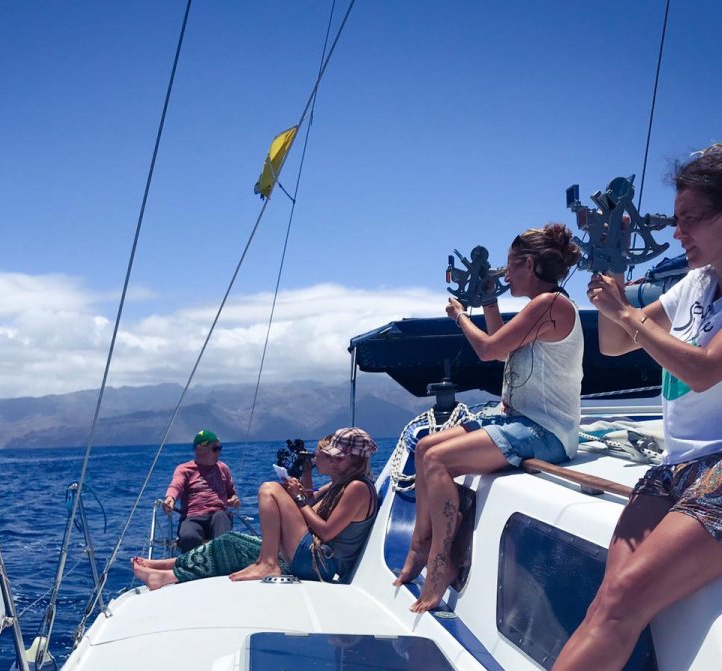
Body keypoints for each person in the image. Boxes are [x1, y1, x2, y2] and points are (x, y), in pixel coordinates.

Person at [421, 135, 722, 671]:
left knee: (623, 598)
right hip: (679, 470)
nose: (679, 230)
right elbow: (613, 342)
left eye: (690, 216)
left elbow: (702, 368)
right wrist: (616, 300)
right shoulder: (695, 284)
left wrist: (633, 314)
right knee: (610, 603)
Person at [393, 223, 585, 613]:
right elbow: (501, 349)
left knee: (437, 459)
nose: (505, 274)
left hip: (547, 431)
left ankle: (441, 563)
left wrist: (460, 316)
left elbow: (486, 350)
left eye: (510, 267)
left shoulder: (549, 305)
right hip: (518, 421)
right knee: (424, 446)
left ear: (529, 264)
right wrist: (489, 302)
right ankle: (419, 546)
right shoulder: (544, 305)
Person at [133, 427, 379, 589]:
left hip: (323, 563)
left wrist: (297, 499)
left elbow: (325, 532)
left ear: (348, 460)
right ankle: (167, 570)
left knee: (269, 489)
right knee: (230, 542)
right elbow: (310, 504)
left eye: (330, 457)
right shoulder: (341, 485)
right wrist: (301, 487)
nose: (323, 461)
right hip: (312, 556)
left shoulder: (357, 488)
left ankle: (268, 562)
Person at [164, 429, 241, 553]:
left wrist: (234, 500)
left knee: (222, 526)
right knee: (189, 537)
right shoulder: (184, 469)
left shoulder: (223, 468)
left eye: (220, 448)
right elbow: (176, 485)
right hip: (192, 516)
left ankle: (223, 564)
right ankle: (194, 568)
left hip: (218, 514)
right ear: (200, 449)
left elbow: (231, 493)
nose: (219, 452)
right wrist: (170, 498)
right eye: (215, 448)